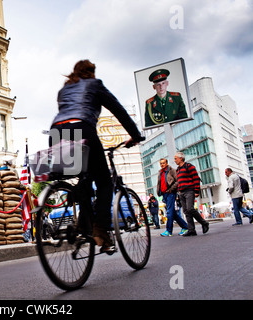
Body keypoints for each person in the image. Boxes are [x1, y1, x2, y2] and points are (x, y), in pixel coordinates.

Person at [50, 59, 143, 252]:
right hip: (83, 130)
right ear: (91, 72)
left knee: (84, 177)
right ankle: (100, 230)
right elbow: (119, 110)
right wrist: (134, 135)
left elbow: (67, 115)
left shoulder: (63, 90)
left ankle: (83, 226)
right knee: (104, 182)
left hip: (57, 133)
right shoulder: (95, 84)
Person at [174, 152, 209, 236]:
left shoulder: (189, 166)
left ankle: (204, 223)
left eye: (176, 158)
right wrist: (178, 191)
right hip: (181, 192)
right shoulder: (177, 169)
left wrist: (196, 191)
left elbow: (196, 178)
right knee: (186, 211)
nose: (175, 160)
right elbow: (178, 181)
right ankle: (191, 230)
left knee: (190, 209)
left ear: (181, 158)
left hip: (189, 190)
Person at [156, 158, 188, 236]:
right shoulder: (160, 172)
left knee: (169, 212)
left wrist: (171, 189)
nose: (162, 165)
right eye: (161, 163)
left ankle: (169, 231)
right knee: (173, 213)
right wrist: (159, 192)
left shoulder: (172, 170)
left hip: (170, 193)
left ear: (166, 163)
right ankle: (185, 226)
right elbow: (159, 183)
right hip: (164, 194)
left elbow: (178, 181)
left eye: (163, 163)